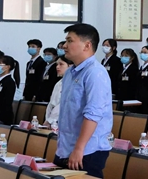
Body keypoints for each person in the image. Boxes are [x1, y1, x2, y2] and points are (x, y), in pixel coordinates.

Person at [55, 23, 113, 178]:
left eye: (70, 41)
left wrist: (79, 148)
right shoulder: (69, 73)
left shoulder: (95, 73)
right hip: (65, 148)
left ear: (87, 45)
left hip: (87, 151)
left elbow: (93, 114)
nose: (64, 45)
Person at [44, 56, 73, 127]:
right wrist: (47, 119)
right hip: (52, 120)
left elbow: (63, 104)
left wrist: (50, 120)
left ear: (70, 66)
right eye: (57, 64)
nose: (57, 67)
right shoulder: (59, 83)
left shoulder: (72, 83)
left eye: (61, 64)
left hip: (62, 120)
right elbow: (51, 103)